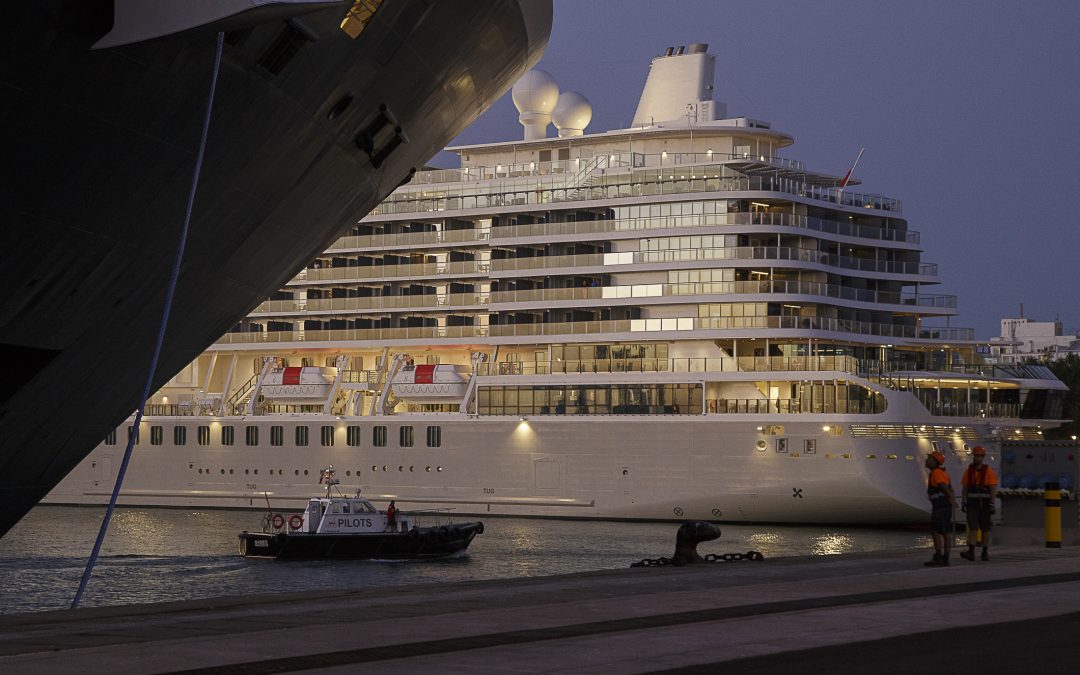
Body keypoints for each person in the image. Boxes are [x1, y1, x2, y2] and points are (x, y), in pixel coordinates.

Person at [960, 446, 998, 561]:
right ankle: (971, 552)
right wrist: (963, 501)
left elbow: (992, 488)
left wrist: (992, 503)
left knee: (985, 529)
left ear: (983, 457)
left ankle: (985, 552)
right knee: (973, 527)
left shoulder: (989, 471)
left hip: (984, 504)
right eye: (976, 456)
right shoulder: (968, 471)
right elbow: (965, 487)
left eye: (979, 456)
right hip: (972, 503)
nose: (977, 458)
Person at [924, 450, 957, 566]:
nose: (926, 461)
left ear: (935, 461)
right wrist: (951, 499)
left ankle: (939, 557)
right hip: (943, 505)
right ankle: (945, 557)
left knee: (936, 531)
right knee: (945, 531)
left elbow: (943, 487)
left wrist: (951, 498)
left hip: (940, 506)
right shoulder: (942, 472)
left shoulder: (936, 473)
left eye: (929, 459)